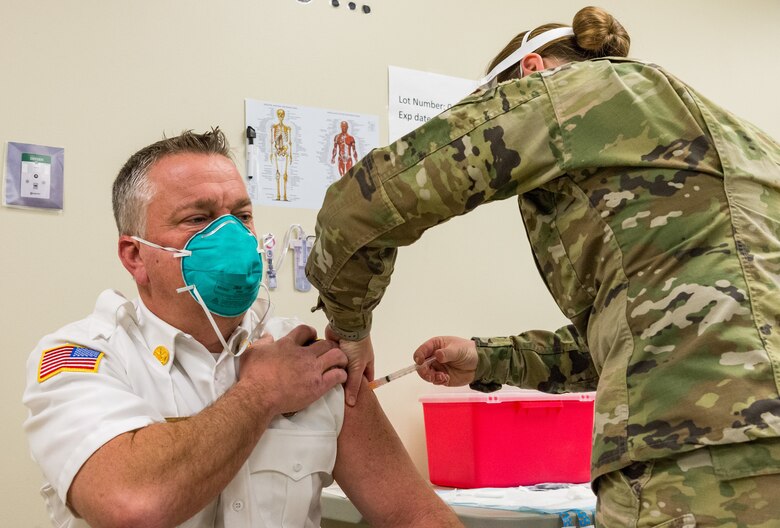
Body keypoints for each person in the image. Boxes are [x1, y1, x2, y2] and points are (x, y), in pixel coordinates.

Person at [305, 6, 780, 527]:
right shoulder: (746, 143)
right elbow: (652, 333)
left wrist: (349, 326)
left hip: (697, 457)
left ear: (530, 72)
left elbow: (359, 206)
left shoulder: (569, 94)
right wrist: (485, 360)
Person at [23, 129, 462, 528]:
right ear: (135, 256)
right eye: (198, 219)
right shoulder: (81, 357)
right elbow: (134, 502)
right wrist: (261, 392)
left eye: (242, 216)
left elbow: (417, 514)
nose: (231, 235)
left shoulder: (308, 356)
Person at [270, 108, 292, 201]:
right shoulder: (274, 127)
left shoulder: (287, 128)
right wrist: (272, 152)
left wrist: (290, 154)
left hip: (285, 152)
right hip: (277, 152)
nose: (281, 117)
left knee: (285, 174)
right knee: (278, 173)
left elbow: (289, 142)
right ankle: (278, 195)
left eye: (282, 115)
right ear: (277, 115)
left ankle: (285, 195)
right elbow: (272, 141)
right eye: (279, 115)